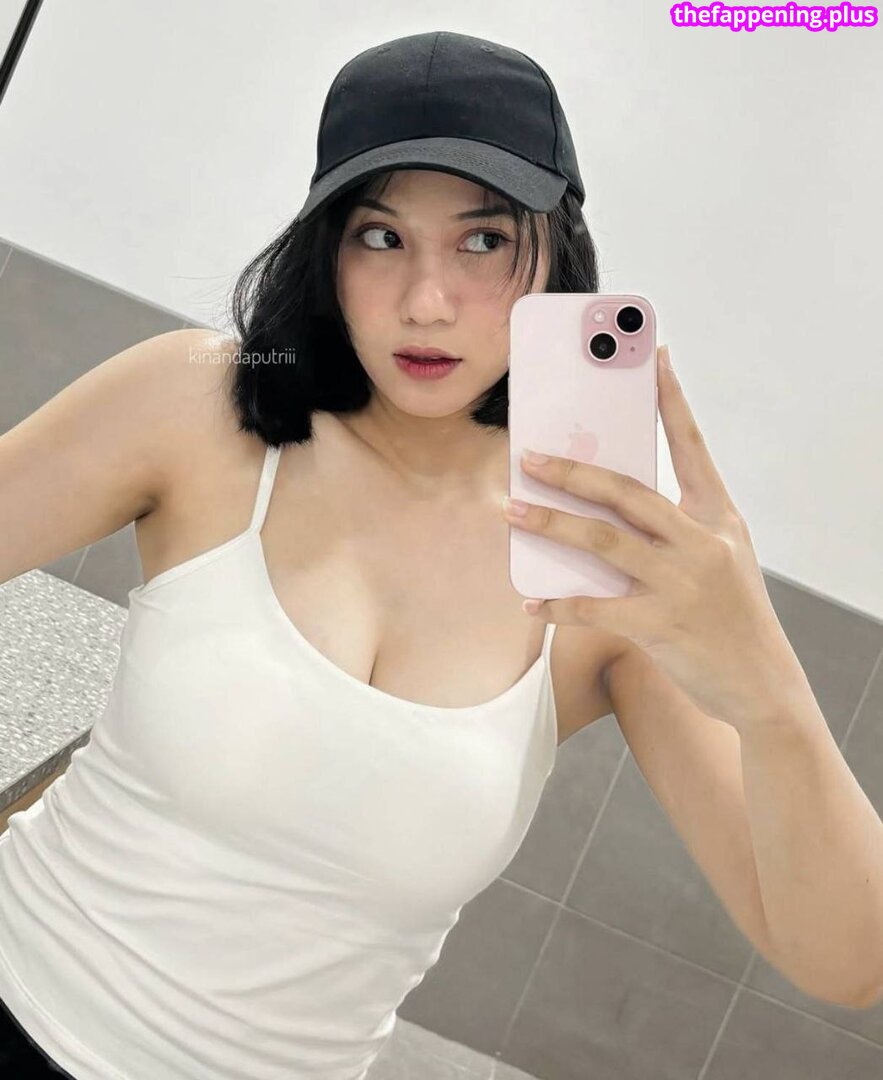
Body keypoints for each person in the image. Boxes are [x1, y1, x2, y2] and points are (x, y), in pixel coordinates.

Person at [0, 30, 618, 1080]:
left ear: (557, 253)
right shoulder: (196, 402)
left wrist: (742, 635)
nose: (426, 300)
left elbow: (842, 953)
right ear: (326, 251)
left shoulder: (592, 562)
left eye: (481, 241)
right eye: (380, 236)